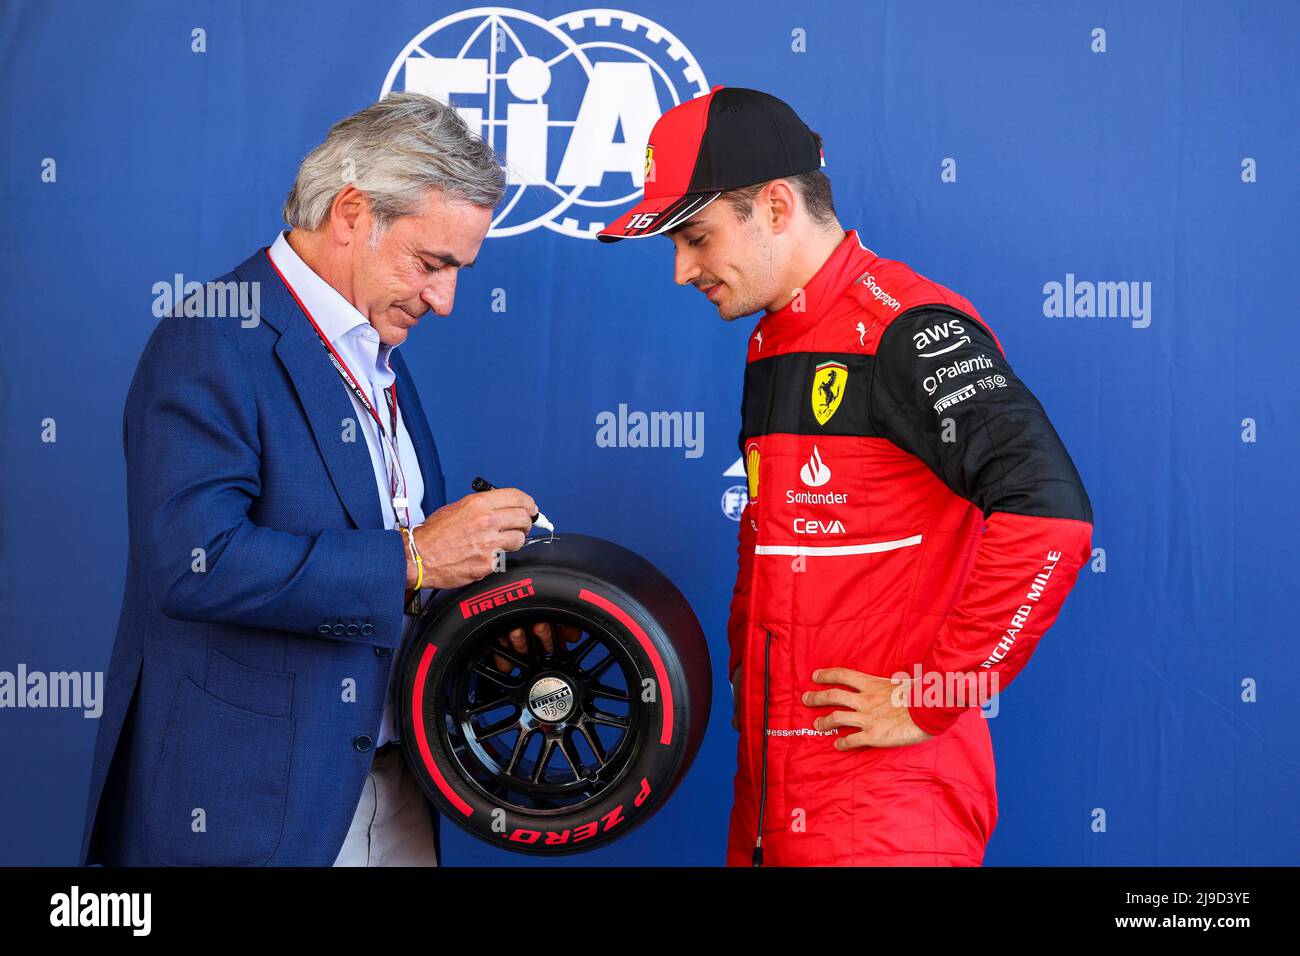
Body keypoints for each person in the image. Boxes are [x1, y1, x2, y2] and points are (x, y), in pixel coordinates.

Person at [598, 86, 1094, 866]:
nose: (681, 270)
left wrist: (939, 695)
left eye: (695, 236)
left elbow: (1050, 517)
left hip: (884, 811)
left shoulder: (908, 327)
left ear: (775, 205)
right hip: (772, 797)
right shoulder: (776, 338)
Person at [79, 92, 557, 866]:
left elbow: (387, 573)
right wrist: (416, 556)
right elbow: (194, 561)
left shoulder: (374, 350)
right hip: (252, 813)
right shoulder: (212, 339)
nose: (445, 298)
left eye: (459, 270)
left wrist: (481, 613)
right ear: (351, 214)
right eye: (432, 264)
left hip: (399, 793)